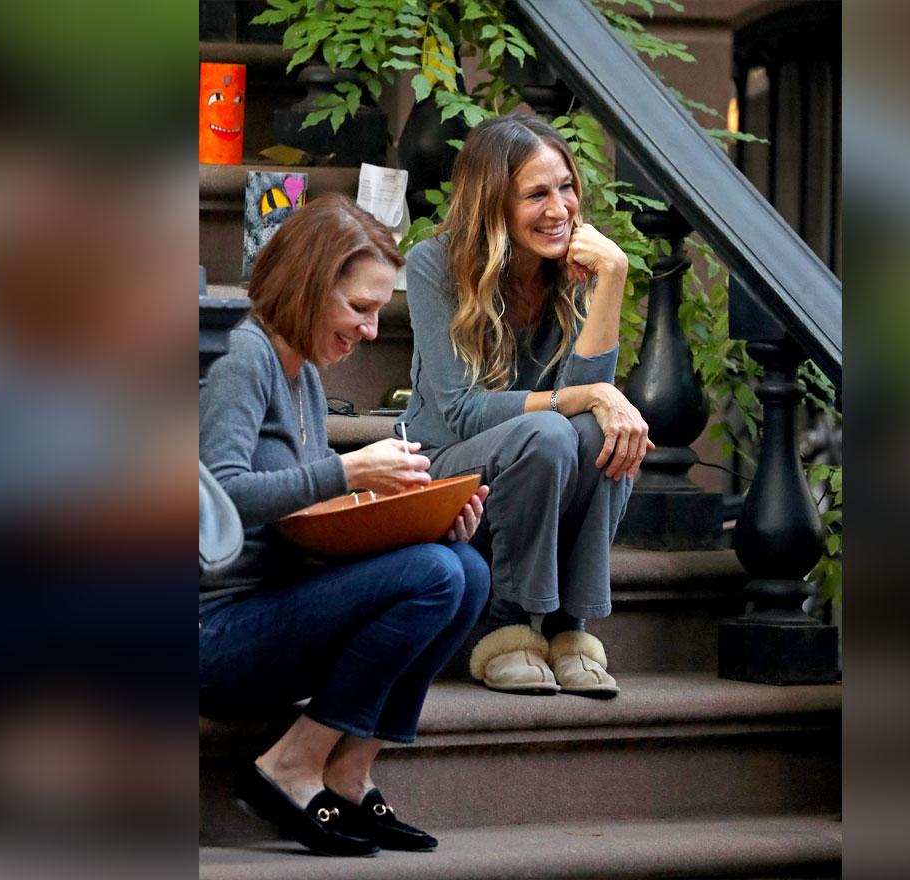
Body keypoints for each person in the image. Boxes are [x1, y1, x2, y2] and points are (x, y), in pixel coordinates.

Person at [200, 193, 490, 856]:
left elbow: (303, 523)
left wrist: (423, 521)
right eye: (358, 308)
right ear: (308, 286)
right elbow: (217, 498)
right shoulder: (245, 362)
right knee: (438, 576)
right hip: (212, 632)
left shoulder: (299, 372)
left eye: (375, 312)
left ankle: (352, 770)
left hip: (271, 608)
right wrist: (349, 472)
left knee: (465, 571)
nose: (368, 329)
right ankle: (290, 766)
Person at [399, 113, 651, 699]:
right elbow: (461, 410)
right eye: (537, 194)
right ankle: (506, 626)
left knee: (599, 434)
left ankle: (568, 631)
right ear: (493, 204)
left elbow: (592, 401)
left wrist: (612, 276)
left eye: (566, 187)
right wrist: (584, 397)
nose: (560, 208)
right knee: (553, 432)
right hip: (442, 465)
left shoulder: (575, 269)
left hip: (538, 463)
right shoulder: (433, 264)